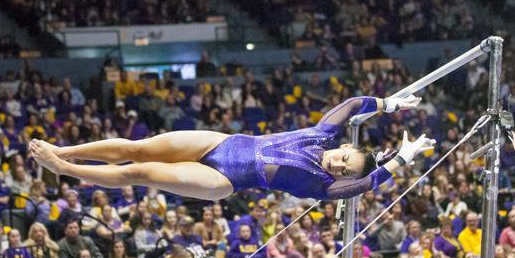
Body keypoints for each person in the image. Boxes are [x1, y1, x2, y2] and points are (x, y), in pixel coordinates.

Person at [30, 95, 432, 200]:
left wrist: (405, 159)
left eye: (342, 170)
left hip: (223, 178)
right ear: (345, 145)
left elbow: (365, 185)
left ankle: (65, 170)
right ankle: (64, 151)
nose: (338, 166)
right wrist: (390, 105)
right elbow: (353, 105)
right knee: (139, 147)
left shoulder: (320, 186)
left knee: (139, 172)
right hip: (224, 143)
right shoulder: (324, 133)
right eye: (344, 159)